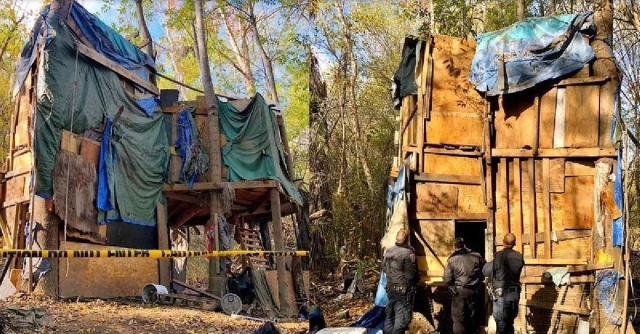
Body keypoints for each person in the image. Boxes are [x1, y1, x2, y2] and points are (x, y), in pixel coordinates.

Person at [483, 233, 525, 334]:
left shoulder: (499, 256)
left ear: (503, 242)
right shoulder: (519, 257)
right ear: (514, 243)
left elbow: (485, 271)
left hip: (502, 295)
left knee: (501, 324)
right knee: (509, 323)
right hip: (515, 294)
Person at [444, 237, 486, 334]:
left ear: (454, 246)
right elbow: (485, 270)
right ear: (464, 245)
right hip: (473, 290)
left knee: (459, 317)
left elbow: (447, 278)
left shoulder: (452, 259)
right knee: (472, 314)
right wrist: (479, 281)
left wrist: (451, 287)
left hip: (458, 291)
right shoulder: (477, 256)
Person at [383, 228, 419, 334]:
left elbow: (384, 268)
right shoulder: (408, 254)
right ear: (407, 239)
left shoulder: (388, 251)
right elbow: (410, 275)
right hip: (403, 290)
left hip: (390, 288)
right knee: (402, 320)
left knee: (390, 317)